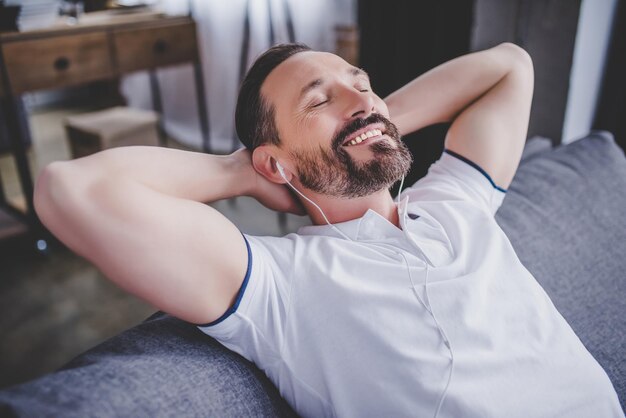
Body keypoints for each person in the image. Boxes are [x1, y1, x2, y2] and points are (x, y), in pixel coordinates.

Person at [33, 43, 623, 418]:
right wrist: (244, 170)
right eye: (319, 100)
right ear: (274, 163)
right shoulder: (278, 287)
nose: (358, 96)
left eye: (360, 82)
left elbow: (511, 65)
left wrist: (368, 117)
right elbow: (69, 190)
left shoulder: (456, 203)